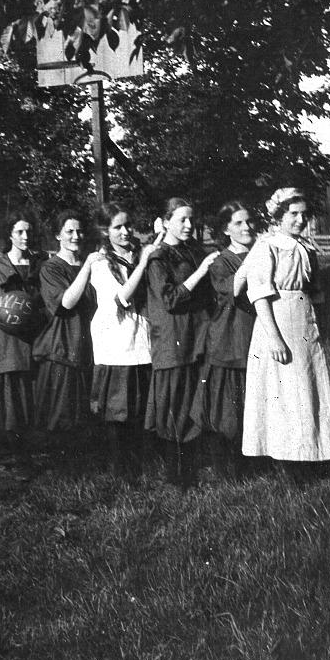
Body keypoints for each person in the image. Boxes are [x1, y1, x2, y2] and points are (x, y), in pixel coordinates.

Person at [241, 187, 330, 475]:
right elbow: (259, 295)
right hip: (278, 324)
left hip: (304, 325)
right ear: (279, 216)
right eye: (293, 214)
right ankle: (289, 463)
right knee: (284, 393)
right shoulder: (267, 247)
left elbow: (315, 291)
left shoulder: (306, 249)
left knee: (307, 388)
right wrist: (274, 338)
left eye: (303, 214)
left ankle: (313, 454)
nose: (300, 220)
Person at [144, 197, 220, 488]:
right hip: (171, 343)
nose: (189, 225)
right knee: (171, 408)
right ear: (165, 223)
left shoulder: (192, 251)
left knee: (190, 406)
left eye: (191, 220)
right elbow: (170, 299)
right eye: (182, 220)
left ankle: (189, 471)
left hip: (193, 340)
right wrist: (201, 272)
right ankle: (175, 476)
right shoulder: (157, 257)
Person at [87, 202, 159, 481]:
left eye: (128, 225)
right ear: (106, 231)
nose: (125, 232)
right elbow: (122, 298)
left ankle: (139, 467)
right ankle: (120, 471)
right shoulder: (101, 263)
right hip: (115, 341)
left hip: (140, 339)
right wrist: (142, 263)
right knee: (118, 411)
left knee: (138, 406)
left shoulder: (136, 254)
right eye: (117, 227)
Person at [192, 201, 259, 480]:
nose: (247, 228)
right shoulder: (220, 262)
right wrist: (256, 258)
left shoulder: (260, 254)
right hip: (229, 339)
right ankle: (225, 470)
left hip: (256, 336)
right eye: (239, 223)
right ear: (226, 230)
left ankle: (252, 464)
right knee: (225, 409)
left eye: (249, 221)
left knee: (250, 405)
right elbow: (232, 287)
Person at [0, 211, 44, 470]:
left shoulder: (39, 265)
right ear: (9, 235)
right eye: (19, 232)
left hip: (32, 338)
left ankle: (23, 455)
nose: (25, 236)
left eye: (28, 231)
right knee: (1, 400)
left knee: (27, 398)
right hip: (5, 341)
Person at [34, 209, 95, 470]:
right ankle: (64, 469)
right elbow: (66, 303)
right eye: (69, 231)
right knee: (62, 410)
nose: (75, 236)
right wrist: (88, 267)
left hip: (86, 343)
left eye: (79, 231)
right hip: (62, 345)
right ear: (58, 235)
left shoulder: (87, 264)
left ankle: (83, 463)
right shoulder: (51, 268)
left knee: (83, 409)